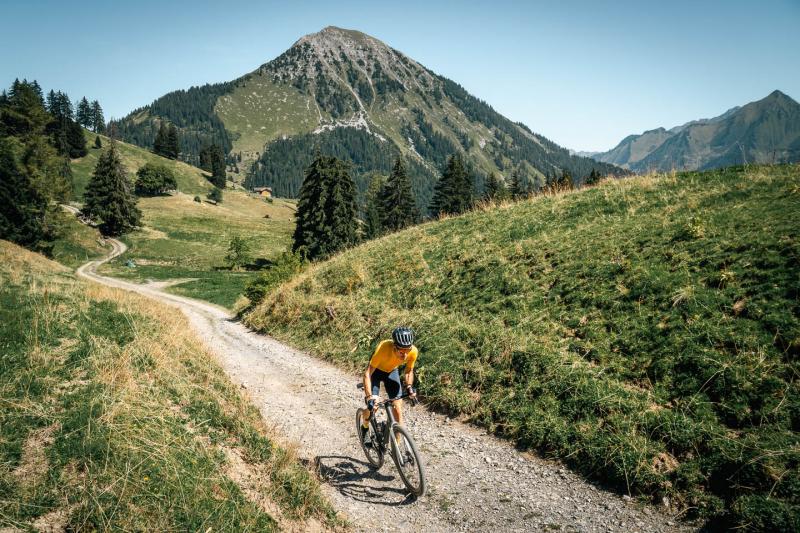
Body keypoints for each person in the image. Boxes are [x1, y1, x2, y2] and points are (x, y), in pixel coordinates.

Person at [360, 327, 418, 441]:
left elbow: (408, 371)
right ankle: (365, 426)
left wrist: (409, 386)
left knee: (397, 409)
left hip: (392, 371)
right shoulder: (383, 348)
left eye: (407, 351)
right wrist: (369, 397)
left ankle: (397, 446)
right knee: (374, 406)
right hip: (375, 372)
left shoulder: (413, 351)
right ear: (394, 347)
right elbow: (367, 373)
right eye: (401, 352)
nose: (405, 356)